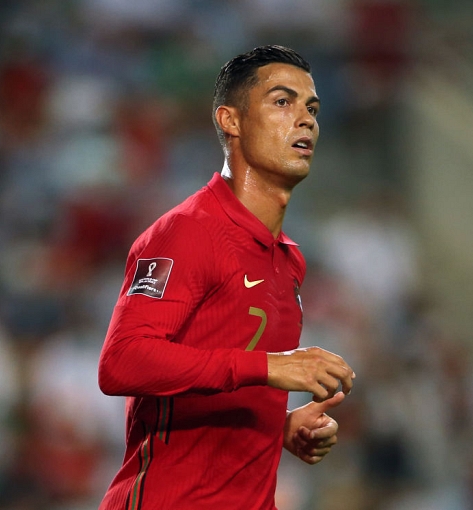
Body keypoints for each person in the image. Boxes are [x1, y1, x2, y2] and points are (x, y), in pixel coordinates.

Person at [97, 45, 355, 510]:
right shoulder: (187, 232)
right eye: (283, 102)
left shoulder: (289, 260)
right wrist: (269, 367)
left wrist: (277, 427)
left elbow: (221, 377)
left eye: (312, 108)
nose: (306, 119)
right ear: (230, 120)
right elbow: (122, 361)